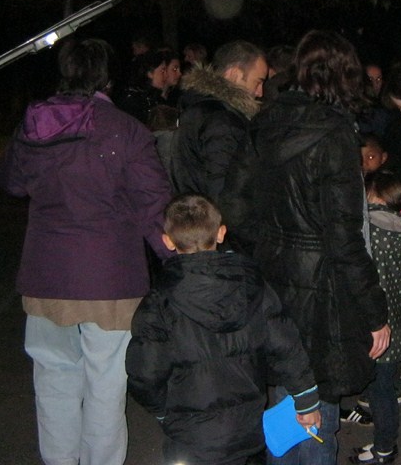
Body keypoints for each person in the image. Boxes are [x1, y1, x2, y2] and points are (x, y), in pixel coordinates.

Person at [0, 38, 172, 465]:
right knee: (106, 383)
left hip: (46, 274)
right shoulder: (125, 130)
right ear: (108, 78)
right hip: (110, 278)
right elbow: (155, 206)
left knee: (53, 378)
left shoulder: (34, 122)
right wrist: (181, 261)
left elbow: (12, 182)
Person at [220, 30, 390, 465]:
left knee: (286, 388)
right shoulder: (334, 133)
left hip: (273, 276)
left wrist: (269, 244)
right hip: (323, 287)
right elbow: (344, 235)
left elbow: (234, 205)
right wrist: (374, 312)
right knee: (318, 413)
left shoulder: (264, 122)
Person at [126, 195, 321, 465]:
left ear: (168, 241)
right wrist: (306, 398)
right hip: (247, 427)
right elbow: (286, 346)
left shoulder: (157, 303)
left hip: (190, 435)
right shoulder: (253, 287)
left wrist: (162, 411)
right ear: (220, 233)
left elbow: (144, 372)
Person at [350, 171, 401, 465]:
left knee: (380, 393)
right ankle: (384, 443)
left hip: (377, 327)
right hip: (398, 324)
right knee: (383, 387)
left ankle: (384, 448)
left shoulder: (369, 231)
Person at [170, 40, 266, 203]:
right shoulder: (222, 120)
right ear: (235, 74)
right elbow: (224, 192)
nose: (260, 92)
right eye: (258, 82)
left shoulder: (200, 106)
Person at [116, 49, 168, 125]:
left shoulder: (156, 99)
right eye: (162, 71)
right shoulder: (131, 102)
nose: (166, 75)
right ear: (150, 73)